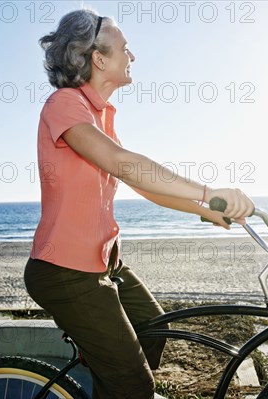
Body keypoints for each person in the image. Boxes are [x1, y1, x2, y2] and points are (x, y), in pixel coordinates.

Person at [23, 8, 254, 399]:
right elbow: (124, 164)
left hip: (104, 263)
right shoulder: (64, 104)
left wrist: (206, 211)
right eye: (125, 48)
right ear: (98, 58)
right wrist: (207, 191)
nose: (133, 56)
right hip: (65, 271)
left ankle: (113, 376)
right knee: (134, 384)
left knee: (152, 326)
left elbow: (143, 185)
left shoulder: (101, 116)